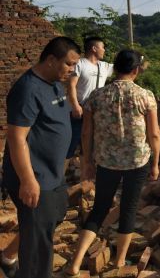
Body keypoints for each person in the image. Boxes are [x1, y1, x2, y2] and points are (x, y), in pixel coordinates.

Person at [65, 50, 160, 277]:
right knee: (128, 209)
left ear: (115, 69)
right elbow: (154, 134)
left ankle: (76, 263)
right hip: (137, 162)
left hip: (106, 161)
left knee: (99, 209)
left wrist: (87, 161)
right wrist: (155, 163)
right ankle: (118, 262)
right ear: (136, 70)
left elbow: (86, 132)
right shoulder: (145, 96)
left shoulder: (96, 97)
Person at [2, 36, 80, 278]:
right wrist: (27, 179)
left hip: (53, 174)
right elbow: (16, 138)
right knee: (38, 248)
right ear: (50, 60)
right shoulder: (27, 90)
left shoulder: (56, 82)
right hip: (34, 176)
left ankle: (7, 256)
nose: (72, 70)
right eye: (68, 64)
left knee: (55, 215)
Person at [66, 36, 113, 160]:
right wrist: (75, 105)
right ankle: (60, 176)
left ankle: (86, 176)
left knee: (88, 147)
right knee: (71, 143)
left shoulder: (104, 66)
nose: (104, 50)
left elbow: (124, 68)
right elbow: (71, 85)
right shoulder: (80, 64)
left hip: (95, 112)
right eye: (102, 47)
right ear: (94, 48)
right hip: (79, 110)